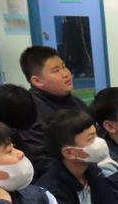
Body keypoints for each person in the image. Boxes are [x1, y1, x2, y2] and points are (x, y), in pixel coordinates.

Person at [17, 46, 95, 176]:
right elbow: (41, 160)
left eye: (64, 67)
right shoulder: (29, 111)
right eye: (56, 70)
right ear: (37, 81)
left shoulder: (75, 102)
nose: (66, 74)